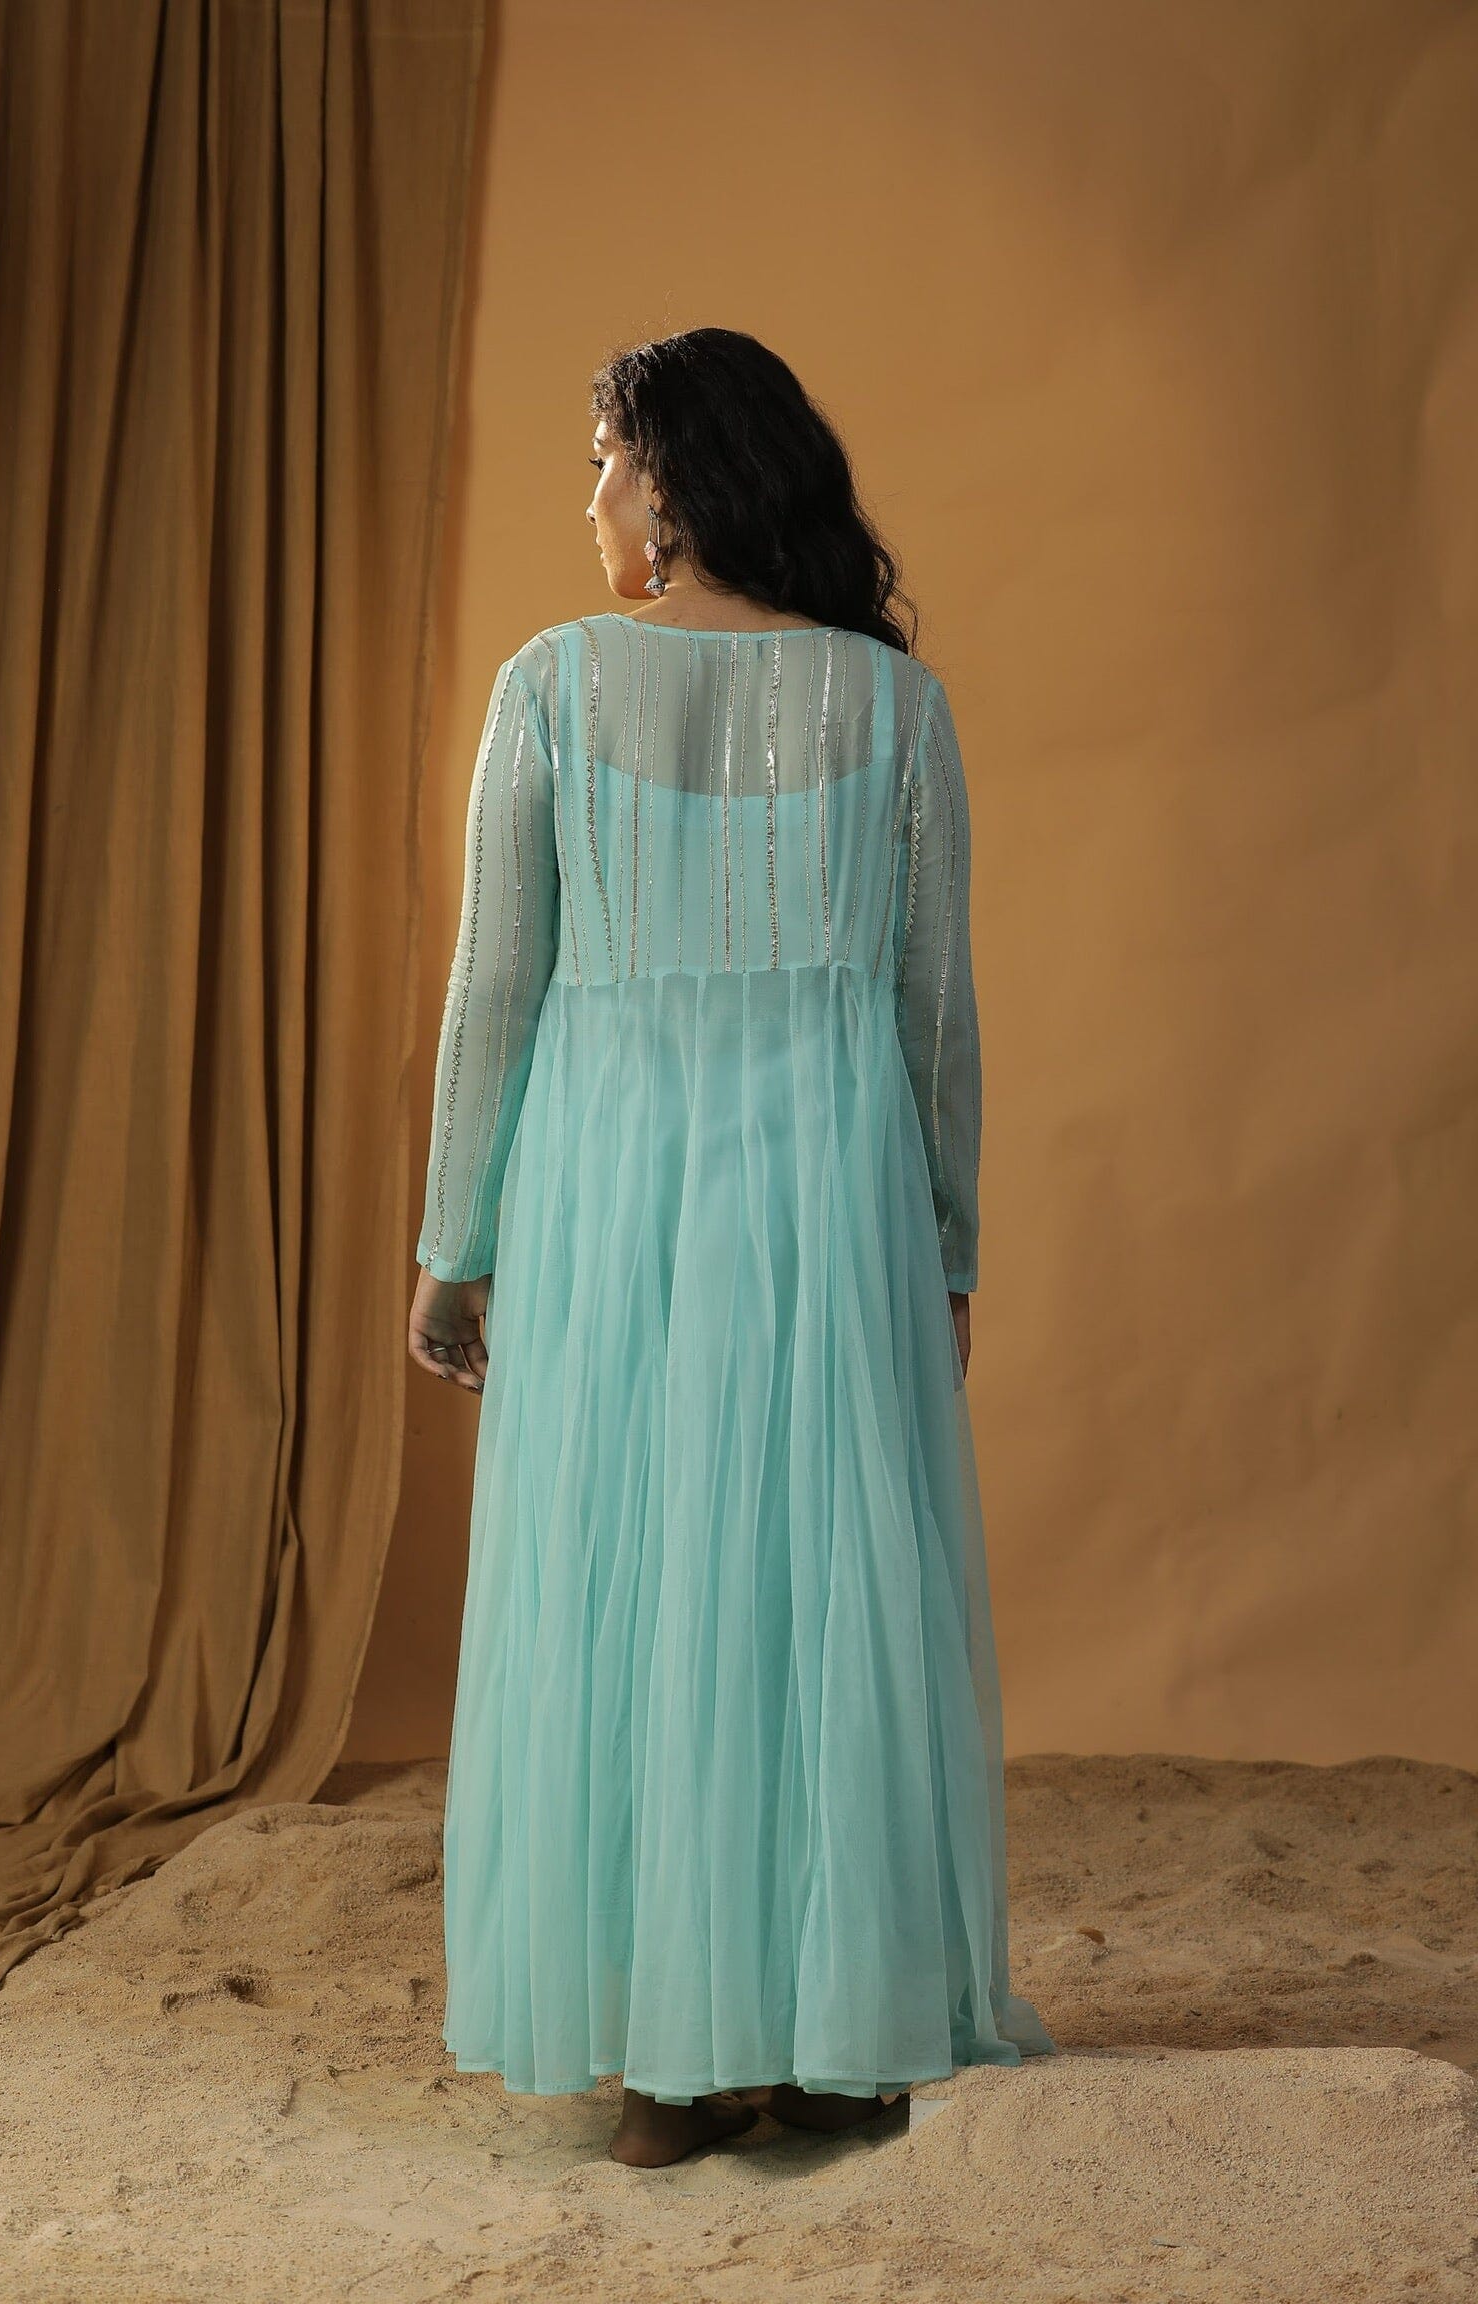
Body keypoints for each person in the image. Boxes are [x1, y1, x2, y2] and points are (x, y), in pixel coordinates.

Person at [408, 326, 1056, 2170]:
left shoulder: (553, 685)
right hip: (831, 1193)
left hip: (610, 1186)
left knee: (630, 1570)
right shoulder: (893, 707)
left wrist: (455, 1242)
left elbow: (497, 992)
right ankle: (839, 2042)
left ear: (676, 479)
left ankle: (665, 2070)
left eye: (604, 461)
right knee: (817, 1577)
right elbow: (936, 1017)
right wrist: (947, 1243)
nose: (592, 499)